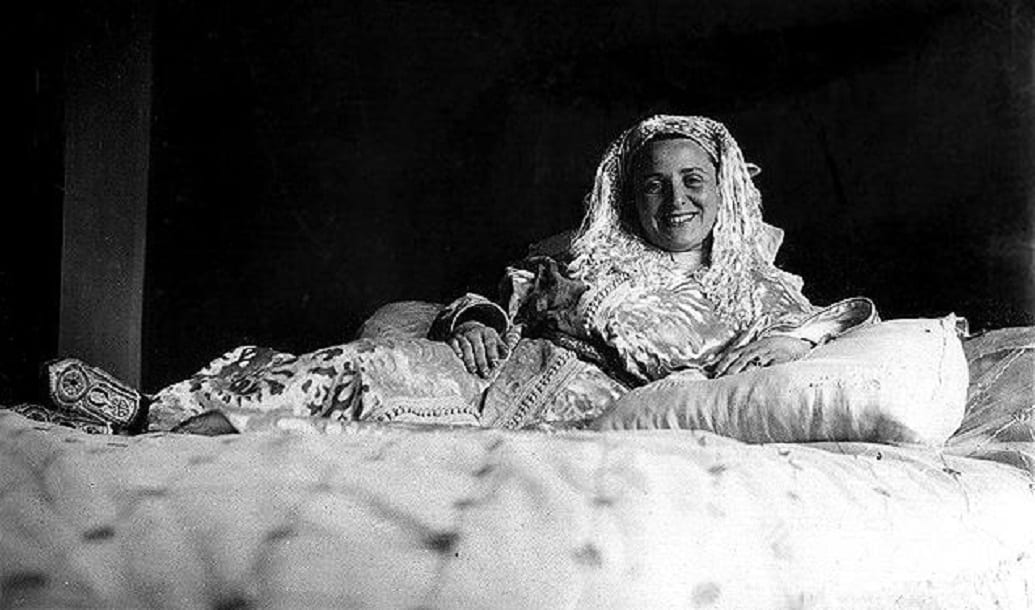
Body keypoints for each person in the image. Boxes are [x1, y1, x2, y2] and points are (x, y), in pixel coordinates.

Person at [62, 115, 877, 434]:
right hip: (490, 365)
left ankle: (149, 430)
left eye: (691, 181)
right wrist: (473, 319)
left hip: (566, 410)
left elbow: (851, 316)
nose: (674, 199)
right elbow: (501, 292)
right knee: (353, 369)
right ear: (628, 195)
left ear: (720, 188)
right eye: (654, 183)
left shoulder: (753, 285)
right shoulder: (585, 254)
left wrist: (790, 340)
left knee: (341, 428)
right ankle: (146, 412)